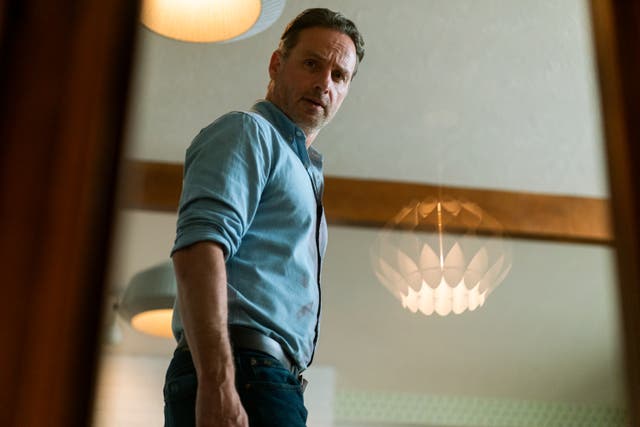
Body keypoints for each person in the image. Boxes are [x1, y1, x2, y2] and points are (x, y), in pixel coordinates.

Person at [163, 8, 365, 427]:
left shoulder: (305, 171)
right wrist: (218, 384)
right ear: (276, 64)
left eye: (339, 75)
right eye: (311, 64)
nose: (324, 83)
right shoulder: (248, 131)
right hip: (244, 374)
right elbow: (199, 249)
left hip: (270, 380)